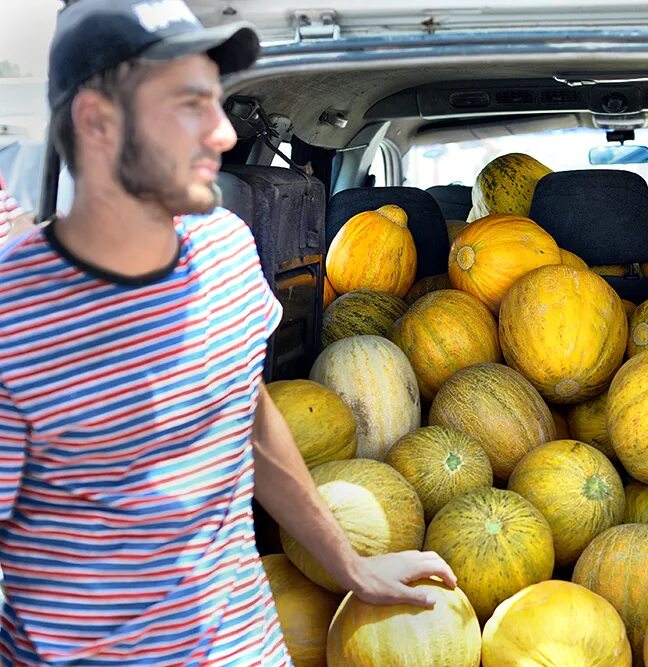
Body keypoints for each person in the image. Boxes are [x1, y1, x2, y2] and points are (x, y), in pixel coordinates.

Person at [0, 1, 455, 664]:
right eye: (189, 105)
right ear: (97, 122)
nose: (220, 134)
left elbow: (246, 408)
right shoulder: (17, 313)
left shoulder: (224, 249)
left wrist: (349, 562)